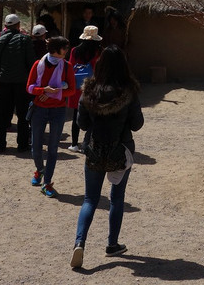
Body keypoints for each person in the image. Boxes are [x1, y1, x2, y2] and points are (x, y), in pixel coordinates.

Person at [71, 46, 144, 269]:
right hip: (119, 151)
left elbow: (81, 123)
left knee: (90, 199)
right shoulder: (128, 91)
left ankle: (79, 243)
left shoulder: (89, 91)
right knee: (117, 198)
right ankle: (112, 244)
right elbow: (137, 124)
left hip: (94, 149)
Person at [28, 37, 76, 198]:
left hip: (58, 110)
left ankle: (47, 182)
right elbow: (30, 87)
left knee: (53, 149)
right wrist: (44, 90)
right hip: (39, 110)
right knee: (35, 146)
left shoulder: (67, 67)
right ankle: (40, 171)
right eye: (65, 48)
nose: (67, 51)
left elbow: (72, 90)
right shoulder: (38, 64)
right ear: (56, 49)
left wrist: (50, 92)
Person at [0, 13, 35, 153]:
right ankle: (22, 144)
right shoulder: (25, 40)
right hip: (22, 83)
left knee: (2, 114)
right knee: (22, 115)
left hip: (4, 83)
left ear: (5, 26)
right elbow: (31, 63)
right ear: (18, 25)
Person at [67, 26, 103, 152]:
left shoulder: (74, 51)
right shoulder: (98, 52)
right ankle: (87, 143)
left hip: (77, 87)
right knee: (92, 115)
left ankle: (74, 144)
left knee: (76, 115)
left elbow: (70, 67)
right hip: (92, 87)